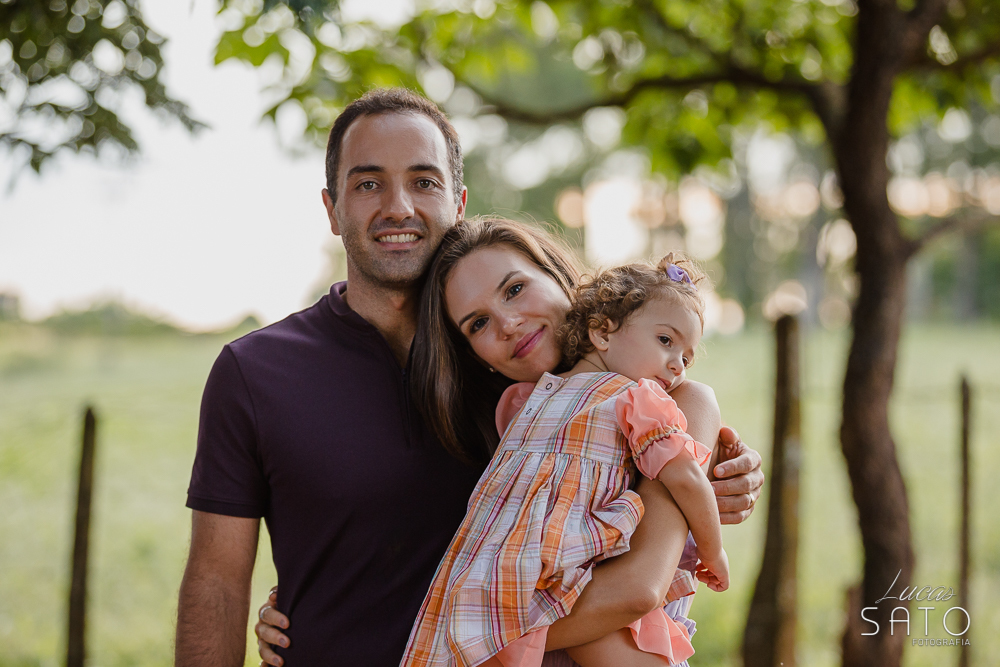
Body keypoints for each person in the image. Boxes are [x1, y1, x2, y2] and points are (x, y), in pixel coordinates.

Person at [175, 87, 762, 666]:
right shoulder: (256, 373)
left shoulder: (529, 373)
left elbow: (641, 575)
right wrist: (318, 608)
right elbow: (218, 584)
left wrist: (714, 479)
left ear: (458, 203)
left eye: (424, 181)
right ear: (332, 208)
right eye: (368, 183)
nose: (399, 206)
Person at [401, 250, 728, 667]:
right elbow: (683, 480)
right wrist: (715, 554)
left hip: (516, 600)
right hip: (536, 584)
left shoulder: (661, 399)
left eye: (515, 289)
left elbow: (640, 586)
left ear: (555, 277)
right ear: (603, 331)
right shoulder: (523, 405)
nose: (509, 323)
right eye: (478, 323)